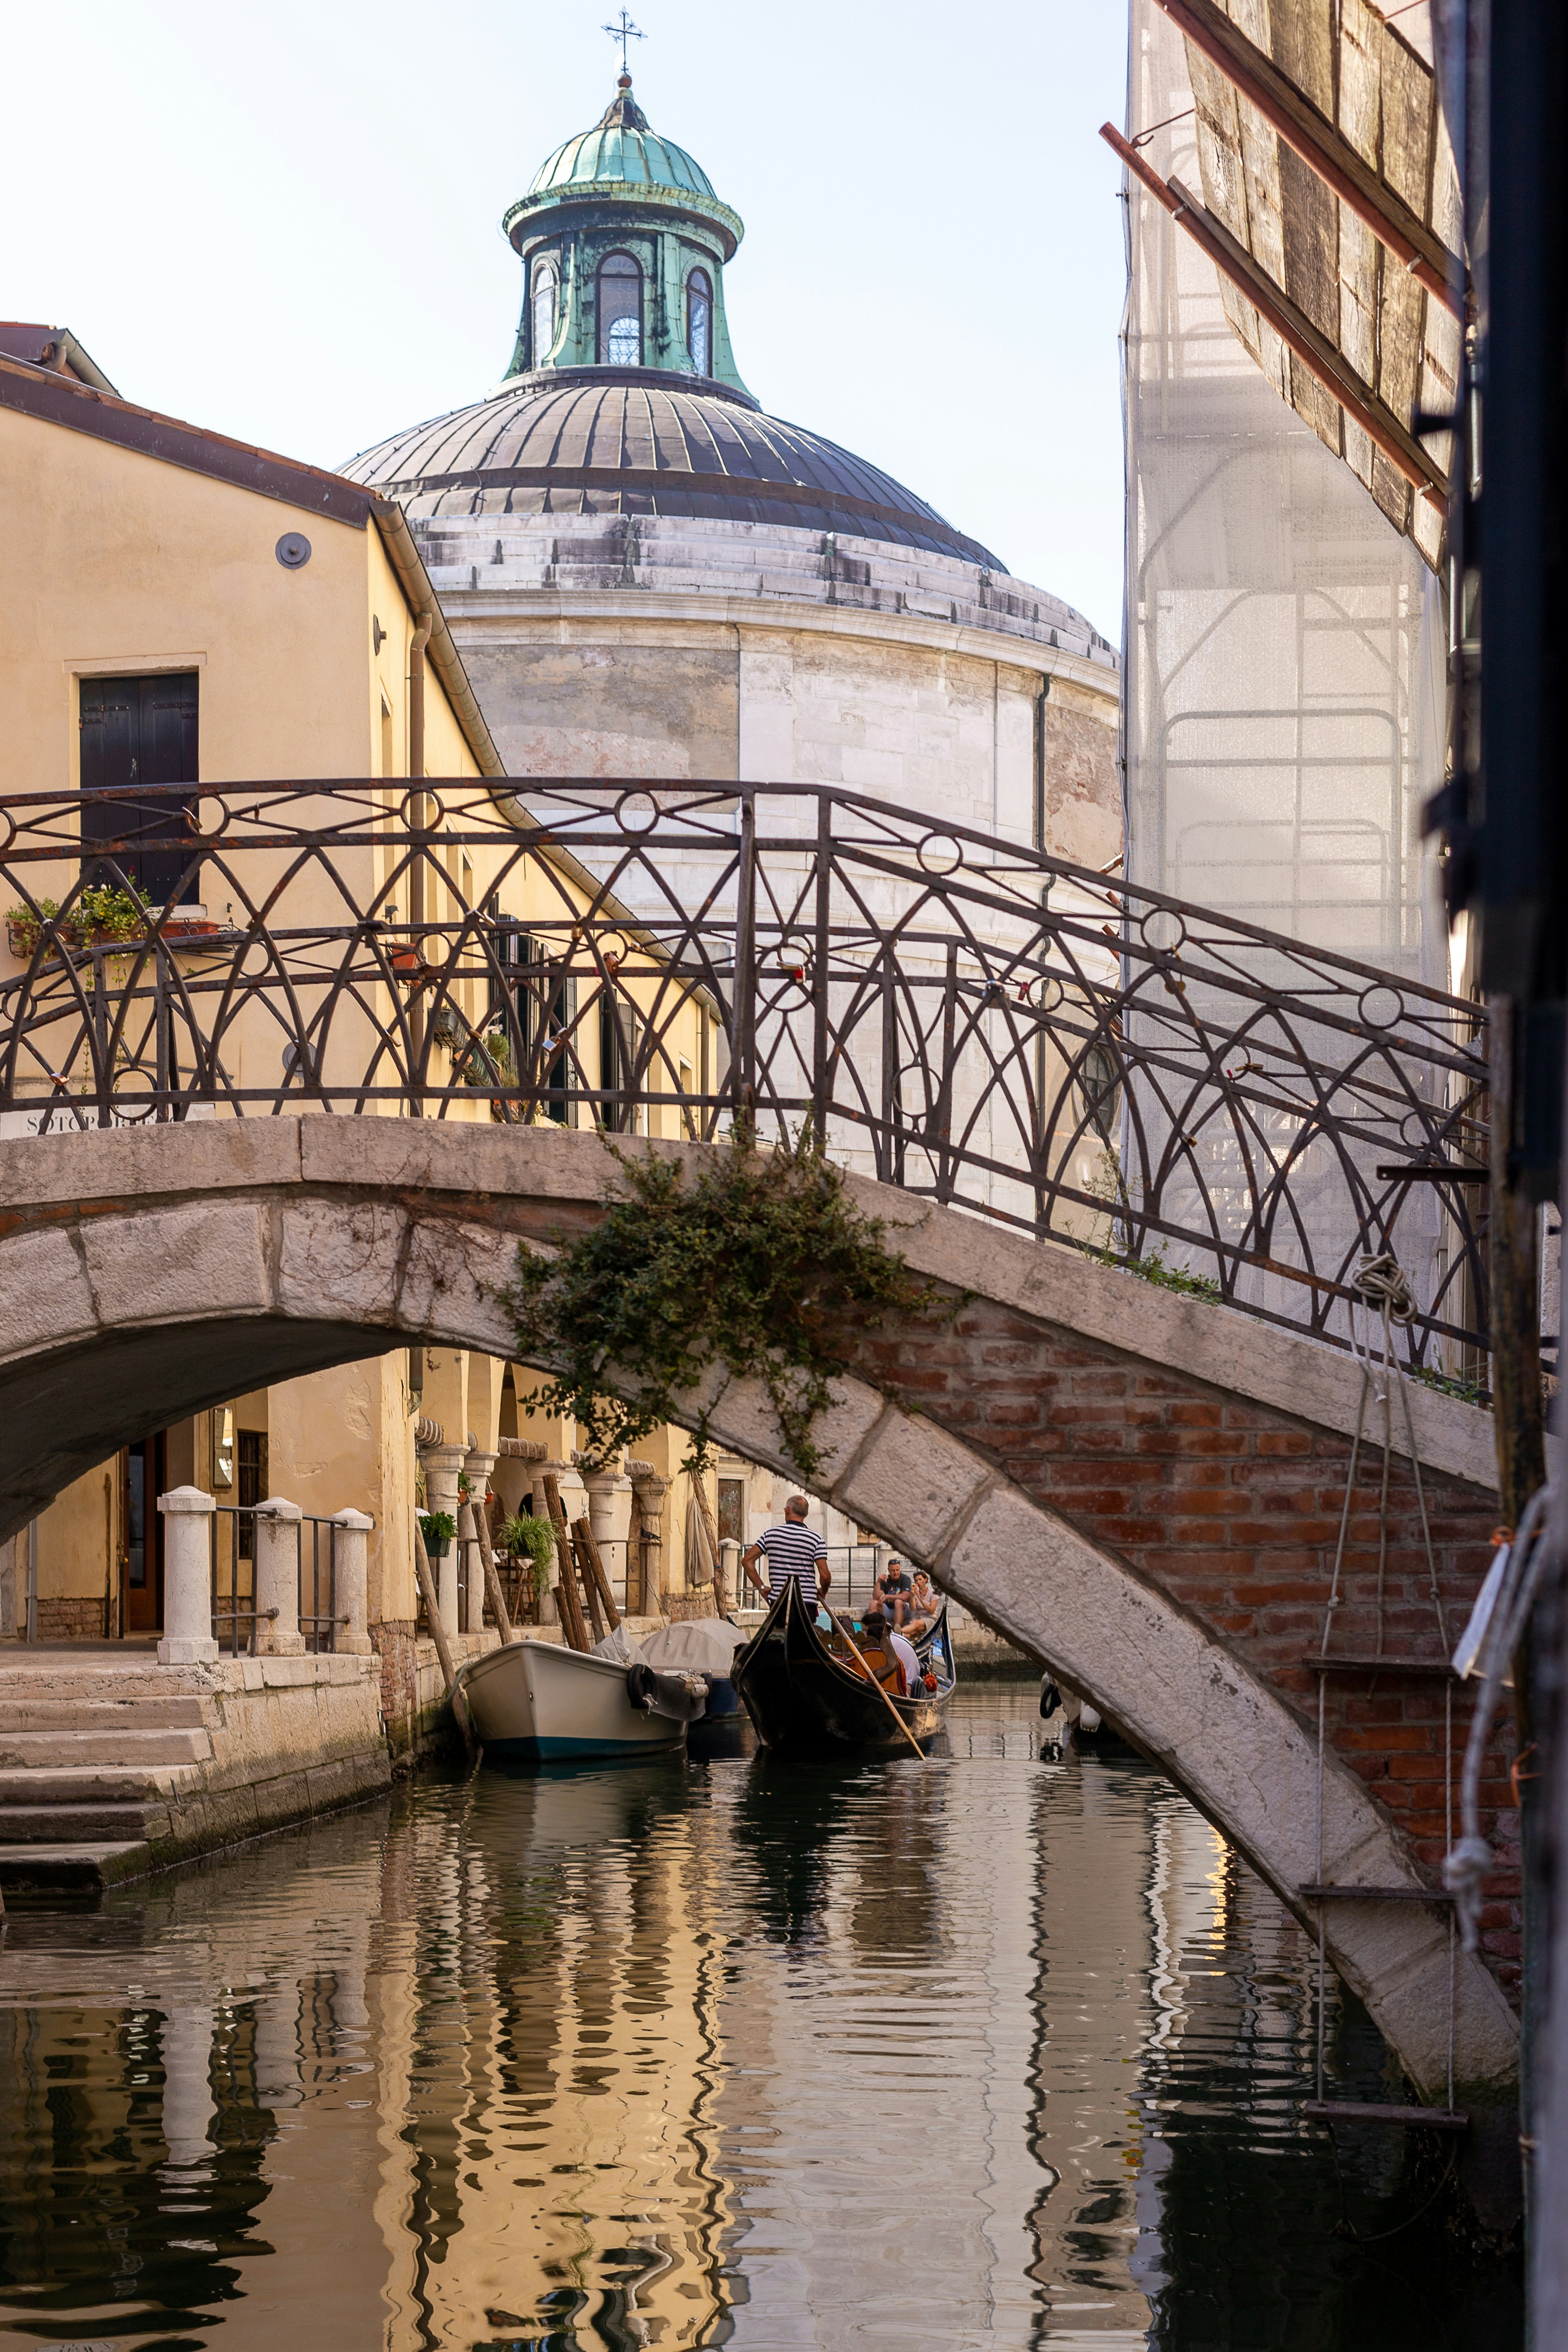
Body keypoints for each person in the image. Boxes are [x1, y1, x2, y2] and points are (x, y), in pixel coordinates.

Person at [743, 1495, 831, 1614]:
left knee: (780, 1632)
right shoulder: (816, 1539)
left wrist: (762, 1588)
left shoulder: (770, 1534)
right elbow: (825, 1576)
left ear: (788, 1511)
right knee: (803, 1633)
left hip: (780, 1601)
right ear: (805, 1514)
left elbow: (747, 1561)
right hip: (807, 1603)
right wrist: (823, 1591)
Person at [859, 1602, 921, 1699]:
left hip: (906, 1686)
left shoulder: (885, 1643)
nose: (866, 1636)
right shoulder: (893, 1638)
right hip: (906, 1682)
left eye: (867, 1632)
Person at [873, 1556, 914, 1630]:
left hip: (905, 1609)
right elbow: (876, 1597)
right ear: (889, 1570)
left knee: (898, 1602)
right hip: (889, 1609)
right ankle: (871, 1631)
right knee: (873, 1604)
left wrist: (888, 1596)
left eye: (897, 1570)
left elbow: (905, 1597)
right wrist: (878, 1582)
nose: (896, 1573)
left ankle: (897, 1630)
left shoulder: (906, 1579)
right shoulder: (886, 1580)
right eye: (893, 1571)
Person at [905, 1568, 940, 1636]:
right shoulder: (915, 1593)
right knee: (911, 1633)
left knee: (915, 1623)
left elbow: (932, 1611)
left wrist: (922, 1601)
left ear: (926, 1580)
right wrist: (912, 1596)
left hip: (930, 1619)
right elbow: (913, 1609)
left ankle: (896, 1632)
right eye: (916, 1581)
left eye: (920, 1580)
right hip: (919, 1618)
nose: (918, 1582)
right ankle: (900, 1635)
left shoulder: (933, 1593)